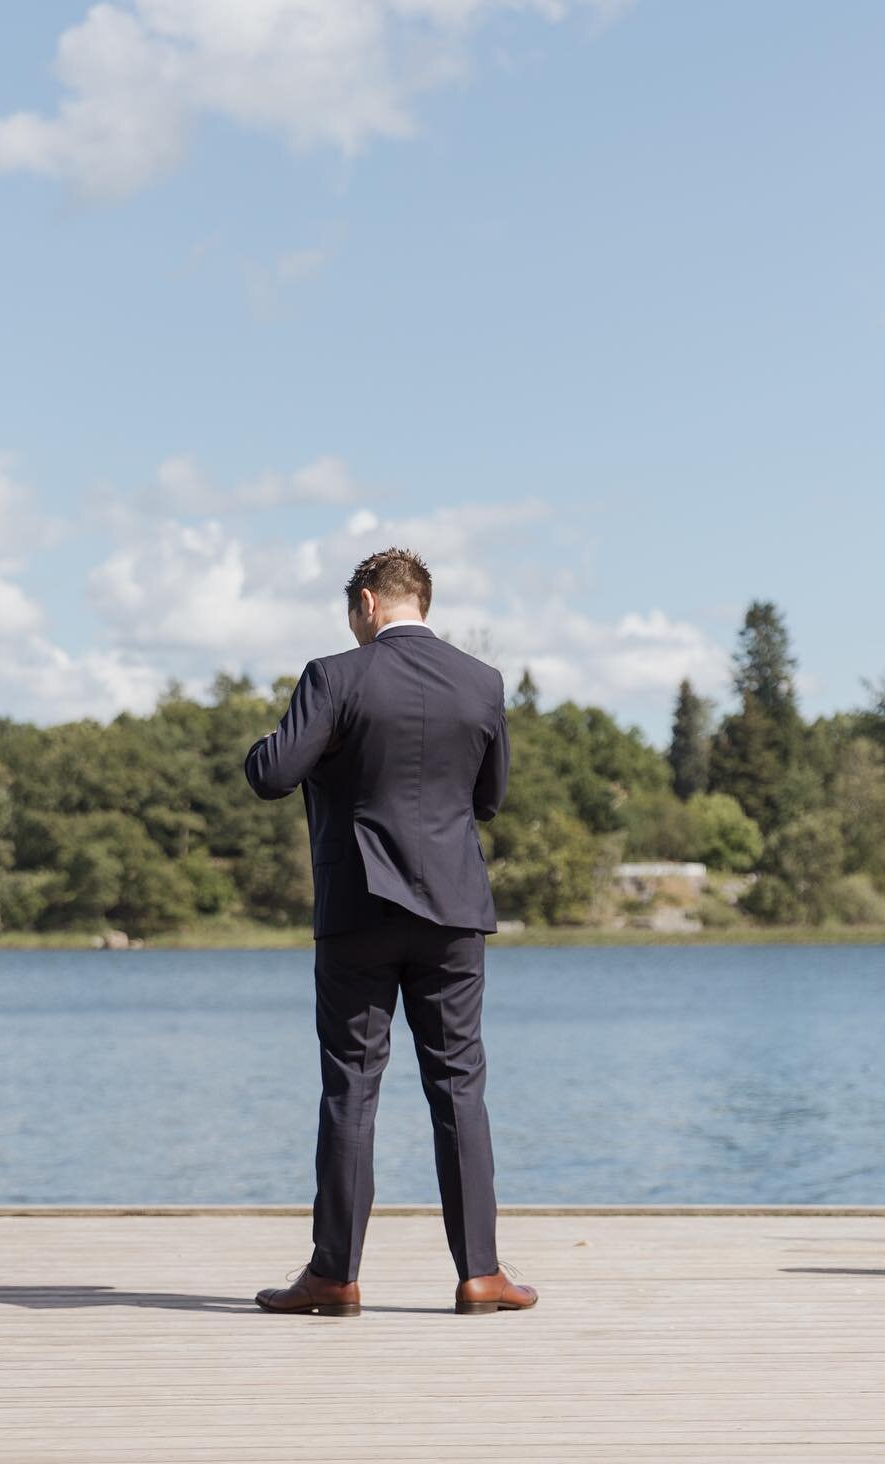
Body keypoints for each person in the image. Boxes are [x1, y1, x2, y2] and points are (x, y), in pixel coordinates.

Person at [244, 546, 538, 1317]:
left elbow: (272, 772)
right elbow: (492, 796)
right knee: (459, 1090)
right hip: (452, 914)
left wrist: (311, 750)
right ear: (423, 603)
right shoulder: (482, 683)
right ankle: (480, 1274)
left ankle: (334, 1277)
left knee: (351, 1092)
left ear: (369, 603)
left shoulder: (335, 676)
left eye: (353, 613)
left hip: (358, 911)